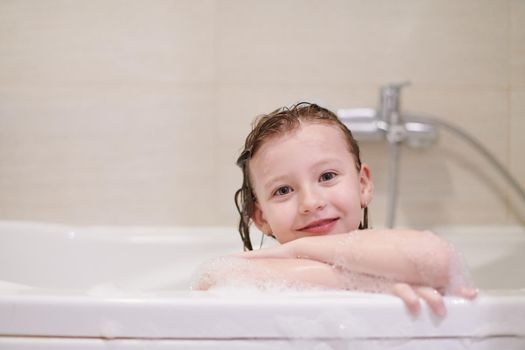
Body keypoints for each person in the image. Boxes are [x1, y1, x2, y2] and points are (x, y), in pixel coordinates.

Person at [194, 102, 477, 317]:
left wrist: (293, 251)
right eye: (283, 190)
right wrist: (362, 282)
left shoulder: (384, 247)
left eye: (327, 176)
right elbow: (211, 279)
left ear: (363, 184)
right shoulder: (246, 274)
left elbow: (439, 260)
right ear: (261, 217)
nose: (310, 202)